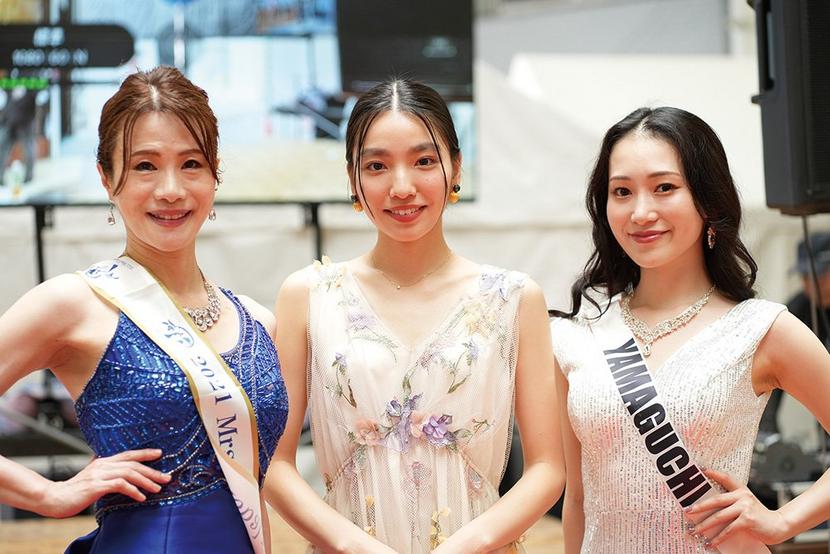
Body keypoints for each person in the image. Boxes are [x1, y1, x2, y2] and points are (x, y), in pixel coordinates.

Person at [266, 78, 565, 553]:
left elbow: (547, 467)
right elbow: (276, 464)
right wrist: (356, 547)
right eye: (377, 166)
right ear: (353, 179)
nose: (402, 187)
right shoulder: (310, 295)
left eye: (424, 161)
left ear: (456, 166)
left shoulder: (512, 298)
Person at [0, 66, 288, 553]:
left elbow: (254, 489)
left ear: (214, 174)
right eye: (145, 166)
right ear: (106, 178)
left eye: (191, 163)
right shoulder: (75, 303)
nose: (171, 189)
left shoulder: (258, 322)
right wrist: (50, 494)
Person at [550, 106, 830, 553]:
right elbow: (578, 499)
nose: (641, 212)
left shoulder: (759, 329)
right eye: (622, 191)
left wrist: (783, 521)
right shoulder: (578, 337)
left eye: (664, 187)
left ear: (708, 200)